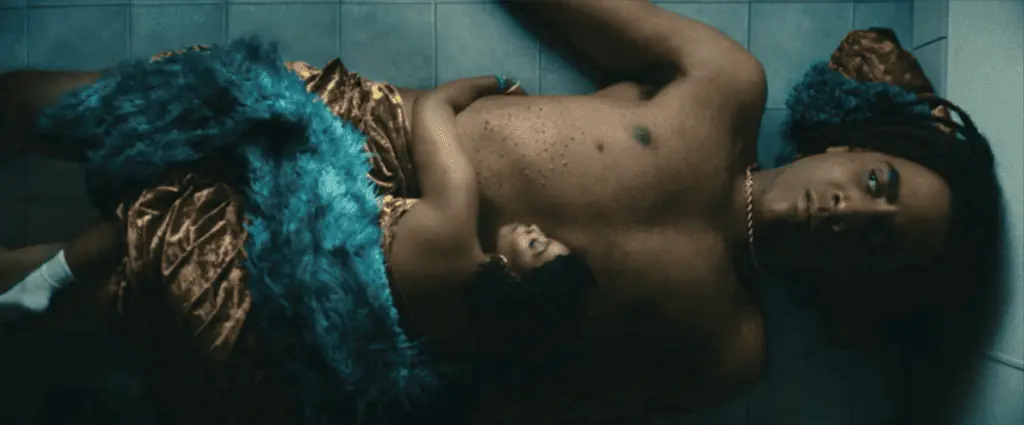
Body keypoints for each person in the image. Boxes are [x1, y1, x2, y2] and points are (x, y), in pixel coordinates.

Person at [0, 1, 1002, 423]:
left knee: (73, 290)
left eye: (878, 244)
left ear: (856, 287)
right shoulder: (725, 89)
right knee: (76, 109)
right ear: (851, 146)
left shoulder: (728, 341)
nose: (849, 213)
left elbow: (535, 409)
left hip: (368, 298)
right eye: (879, 186)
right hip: (354, 135)